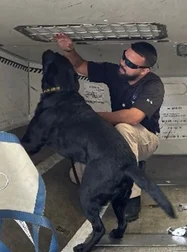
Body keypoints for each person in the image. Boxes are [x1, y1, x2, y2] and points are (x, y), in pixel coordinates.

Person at [54, 33, 164, 222]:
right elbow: (80, 66)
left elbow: (133, 116)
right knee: (76, 172)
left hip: (145, 139)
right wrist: (70, 50)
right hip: (117, 139)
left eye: (130, 64)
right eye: (124, 57)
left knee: (123, 128)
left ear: (144, 70)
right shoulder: (115, 72)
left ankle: (131, 197)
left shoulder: (153, 84)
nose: (123, 63)